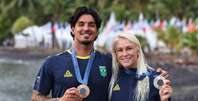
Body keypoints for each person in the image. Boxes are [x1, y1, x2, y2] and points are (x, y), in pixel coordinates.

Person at [32, 6, 170, 101]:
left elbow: (133, 65)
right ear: (73, 29)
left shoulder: (110, 61)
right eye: (81, 24)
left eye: (91, 25)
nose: (86, 28)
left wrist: (157, 76)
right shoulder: (52, 62)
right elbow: (36, 97)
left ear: (97, 31)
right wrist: (60, 100)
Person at [109, 32, 172, 101]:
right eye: (120, 50)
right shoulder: (111, 76)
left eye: (129, 48)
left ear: (138, 50)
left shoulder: (154, 79)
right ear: (116, 54)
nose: (125, 54)